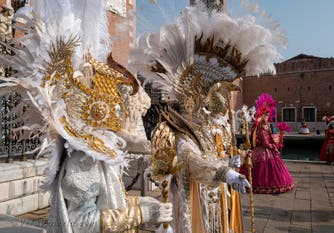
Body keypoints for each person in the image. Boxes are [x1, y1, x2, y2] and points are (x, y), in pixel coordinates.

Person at [1, 1, 172, 232]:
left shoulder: (97, 152)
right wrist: (141, 213)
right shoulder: (83, 159)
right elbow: (82, 223)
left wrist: (140, 203)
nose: (123, 111)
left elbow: (110, 201)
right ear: (99, 112)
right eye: (117, 105)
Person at [129, 4, 283, 232]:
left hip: (217, 198)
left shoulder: (211, 125)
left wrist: (230, 162)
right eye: (210, 92)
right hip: (198, 200)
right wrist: (224, 172)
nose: (215, 99)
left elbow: (215, 153)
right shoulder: (182, 130)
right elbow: (192, 160)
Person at [240, 93, 294, 194]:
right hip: (263, 150)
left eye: (268, 115)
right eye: (266, 115)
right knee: (261, 168)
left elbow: (268, 138)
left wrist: (276, 140)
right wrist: (273, 146)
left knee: (273, 168)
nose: (267, 117)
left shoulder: (267, 126)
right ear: (261, 115)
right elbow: (264, 142)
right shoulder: (260, 128)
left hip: (268, 149)